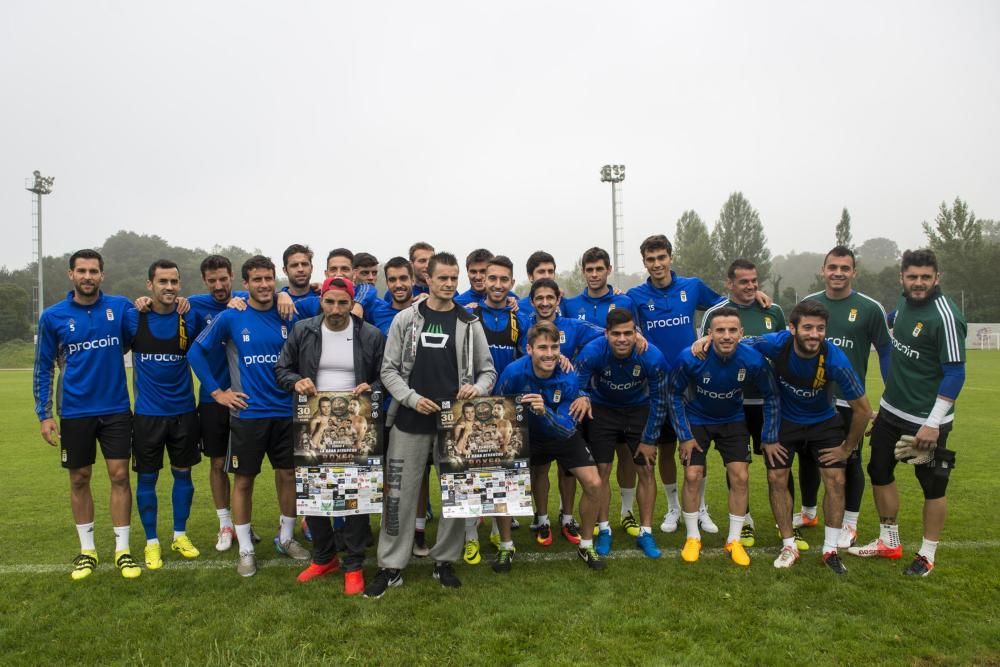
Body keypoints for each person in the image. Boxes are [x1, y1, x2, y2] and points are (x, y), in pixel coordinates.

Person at [365, 252, 496, 598]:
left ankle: (444, 561)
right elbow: (388, 370)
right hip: (409, 421)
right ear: (429, 279)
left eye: (454, 279)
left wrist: (477, 388)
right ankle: (391, 566)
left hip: (455, 425)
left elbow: (488, 371)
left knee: (456, 497)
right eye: (443, 278)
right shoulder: (406, 319)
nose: (449, 284)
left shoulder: (469, 322)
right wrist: (409, 398)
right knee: (398, 498)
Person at [723, 300, 873, 573]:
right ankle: (789, 543)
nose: (814, 334)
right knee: (776, 477)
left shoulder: (836, 360)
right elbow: (735, 340)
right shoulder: (776, 343)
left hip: (823, 422)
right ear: (792, 328)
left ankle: (830, 550)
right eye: (807, 327)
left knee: (836, 480)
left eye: (820, 328)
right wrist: (707, 340)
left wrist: (847, 448)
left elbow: (863, 411)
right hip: (785, 421)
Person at [188, 255, 310, 577]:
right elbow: (195, 352)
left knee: (288, 477)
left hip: (285, 411)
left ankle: (285, 538)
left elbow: (324, 301)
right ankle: (245, 548)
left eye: (269, 278)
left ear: (275, 279)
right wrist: (217, 392)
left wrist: (287, 293)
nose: (264, 285)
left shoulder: (288, 311)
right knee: (244, 481)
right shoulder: (231, 316)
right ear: (246, 284)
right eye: (257, 279)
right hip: (248, 413)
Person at [848, 249, 965, 576]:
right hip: (889, 412)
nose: (918, 283)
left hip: (926, 421)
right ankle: (889, 540)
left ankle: (927, 554)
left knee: (932, 485)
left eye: (925, 277)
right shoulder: (901, 306)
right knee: (879, 470)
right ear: (902, 277)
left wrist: (932, 425)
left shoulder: (944, 316)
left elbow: (956, 373)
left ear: (936, 278)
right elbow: (890, 324)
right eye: (912, 276)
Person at [34, 249, 141, 579]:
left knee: (120, 475)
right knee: (79, 478)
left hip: (116, 409)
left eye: (94, 271)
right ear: (71, 275)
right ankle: (87, 551)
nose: (88, 276)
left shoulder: (119, 307)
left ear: (102, 275)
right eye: (82, 271)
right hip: (75, 411)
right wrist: (44, 414)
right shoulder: (53, 316)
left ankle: (123, 550)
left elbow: (132, 338)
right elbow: (43, 368)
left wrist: (144, 303)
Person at [275, 276, 385, 595]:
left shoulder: (371, 335)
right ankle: (324, 557)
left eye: (343, 303)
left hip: (357, 423)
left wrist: (372, 387)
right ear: (320, 300)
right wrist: (296, 381)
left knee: (356, 496)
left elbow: (386, 377)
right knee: (314, 495)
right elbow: (282, 370)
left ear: (352, 304)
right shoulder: (303, 329)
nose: (336, 309)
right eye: (329, 301)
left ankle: (353, 563)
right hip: (314, 422)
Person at [627, 234, 726, 536]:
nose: (656, 264)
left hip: (690, 382)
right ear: (644, 262)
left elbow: (725, 308)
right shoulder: (635, 295)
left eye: (661, 258)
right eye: (650, 259)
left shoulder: (692, 286)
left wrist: (709, 335)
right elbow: (622, 323)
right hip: (656, 385)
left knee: (695, 447)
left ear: (671, 257)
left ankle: (701, 506)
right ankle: (673, 507)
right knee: (666, 450)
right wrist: (635, 332)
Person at [669, 307, 779, 567]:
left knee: (740, 476)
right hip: (697, 420)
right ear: (709, 334)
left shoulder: (752, 360)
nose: (726, 335)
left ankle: (734, 540)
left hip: (733, 420)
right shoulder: (691, 357)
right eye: (720, 330)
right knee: (693, 475)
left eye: (732, 330)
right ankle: (693, 537)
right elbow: (672, 394)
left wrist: (770, 434)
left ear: (741, 333)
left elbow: (772, 395)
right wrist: (684, 436)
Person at [494, 321, 608, 572]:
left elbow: (567, 427)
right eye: (542, 347)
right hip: (524, 437)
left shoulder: (568, 375)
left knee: (595, 483)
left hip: (560, 434)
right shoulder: (513, 372)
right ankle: (505, 546)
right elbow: (497, 406)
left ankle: (586, 544)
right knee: (501, 483)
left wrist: (544, 412)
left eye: (554, 347)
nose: (549, 353)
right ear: (529, 349)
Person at [802, 246, 891, 548]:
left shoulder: (869, 308)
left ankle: (850, 524)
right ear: (823, 270)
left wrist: (888, 397)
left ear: (854, 272)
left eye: (844, 268)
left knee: (850, 460)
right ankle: (808, 512)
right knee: (809, 459)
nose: (838, 273)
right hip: (812, 400)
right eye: (832, 267)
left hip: (849, 402)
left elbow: (887, 352)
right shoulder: (808, 304)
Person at [699, 259, 788, 548]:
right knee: (738, 466)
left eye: (754, 281)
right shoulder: (716, 314)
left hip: (768, 400)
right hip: (734, 403)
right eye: (743, 282)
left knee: (779, 466)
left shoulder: (772, 311)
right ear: (729, 283)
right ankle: (745, 521)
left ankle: (784, 522)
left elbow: (784, 349)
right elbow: (703, 351)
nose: (750, 286)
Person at [572, 309, 670, 559]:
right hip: (603, 410)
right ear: (606, 334)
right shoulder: (593, 352)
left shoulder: (651, 356)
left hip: (639, 409)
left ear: (636, 333)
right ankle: (604, 529)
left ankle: (646, 532)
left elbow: (660, 399)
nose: (623, 339)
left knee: (646, 469)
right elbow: (577, 384)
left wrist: (650, 439)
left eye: (628, 333)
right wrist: (584, 396)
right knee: (601, 471)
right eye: (616, 334)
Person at [125, 259, 201, 570]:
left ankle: (179, 535)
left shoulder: (189, 316)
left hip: (184, 412)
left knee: (183, 474)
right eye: (162, 282)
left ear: (180, 284)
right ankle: (152, 542)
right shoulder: (134, 318)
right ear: (149, 285)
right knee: (148, 478)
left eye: (174, 282)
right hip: (147, 415)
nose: (168, 287)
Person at [561, 247, 643, 538]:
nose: (594, 274)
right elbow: (541, 314)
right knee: (590, 458)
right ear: (583, 271)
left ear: (608, 269)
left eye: (599, 269)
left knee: (628, 456)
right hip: (585, 394)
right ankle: (582, 513)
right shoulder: (569, 304)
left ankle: (627, 511)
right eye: (589, 269)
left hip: (621, 391)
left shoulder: (625, 300)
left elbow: (634, 333)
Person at [516, 278, 603, 546]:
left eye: (549, 297)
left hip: (565, 406)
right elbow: (522, 360)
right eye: (539, 298)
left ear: (558, 299)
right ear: (532, 302)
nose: (544, 302)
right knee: (539, 470)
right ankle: (541, 519)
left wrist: (575, 363)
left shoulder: (573, 325)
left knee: (568, 469)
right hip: (534, 410)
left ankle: (567, 517)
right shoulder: (524, 327)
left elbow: (605, 334)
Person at [185, 255, 254, 551]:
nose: (218, 285)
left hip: (245, 396)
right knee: (217, 463)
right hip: (213, 398)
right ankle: (225, 523)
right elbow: (190, 348)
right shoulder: (193, 305)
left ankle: (242, 524)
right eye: (212, 280)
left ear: (233, 278)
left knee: (244, 467)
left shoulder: (245, 299)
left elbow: (276, 294)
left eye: (223, 279)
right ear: (204, 281)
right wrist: (143, 303)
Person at [515, 250, 557, 316]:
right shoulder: (517, 307)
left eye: (550, 271)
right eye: (541, 272)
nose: (547, 276)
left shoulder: (565, 304)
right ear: (530, 276)